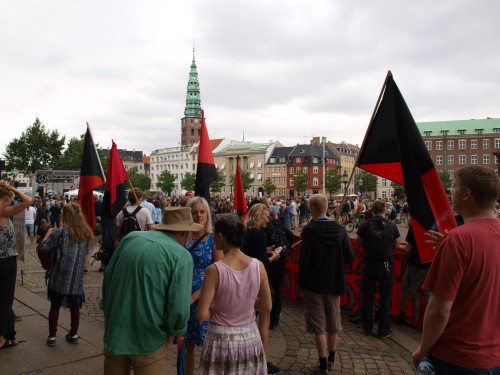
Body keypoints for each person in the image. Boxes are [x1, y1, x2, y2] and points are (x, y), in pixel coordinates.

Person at [412, 166, 500, 373]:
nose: (450, 192)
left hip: (460, 357)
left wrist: (422, 349)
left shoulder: (458, 239)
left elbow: (439, 309)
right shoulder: (459, 240)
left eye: (453, 186)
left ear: (466, 194)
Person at [102, 207, 198, 375]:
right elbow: (179, 306)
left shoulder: (130, 238)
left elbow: (109, 276)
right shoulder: (181, 256)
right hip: (150, 338)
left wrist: (107, 308)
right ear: (183, 232)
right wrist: (174, 331)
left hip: (116, 330)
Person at [196, 213, 272, 375]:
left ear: (221, 236)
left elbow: (201, 315)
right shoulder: (258, 266)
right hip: (249, 337)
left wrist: (219, 307)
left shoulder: (214, 270)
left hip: (221, 340)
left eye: (214, 235)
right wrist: (245, 303)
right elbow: (266, 306)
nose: (213, 239)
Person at [299, 194, 355, 373]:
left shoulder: (309, 231)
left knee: (318, 326)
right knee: (333, 323)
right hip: (334, 282)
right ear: (327, 208)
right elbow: (349, 256)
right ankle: (331, 359)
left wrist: (302, 283)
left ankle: (322, 364)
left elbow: (304, 260)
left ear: (313, 209)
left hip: (314, 284)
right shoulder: (339, 230)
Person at [40, 203, 93, 346]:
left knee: (55, 305)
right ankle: (74, 334)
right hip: (76, 276)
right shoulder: (86, 233)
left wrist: (48, 233)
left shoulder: (61, 232)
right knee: (74, 306)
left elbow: (44, 248)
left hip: (60, 274)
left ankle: (52, 337)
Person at [184, 197, 224, 375]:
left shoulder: (213, 239)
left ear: (208, 213)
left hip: (204, 298)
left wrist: (195, 296)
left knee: (209, 346)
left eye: (202, 211)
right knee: (186, 346)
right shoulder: (183, 236)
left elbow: (220, 273)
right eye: (194, 212)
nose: (199, 215)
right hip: (182, 294)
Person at [243, 203, 281, 374]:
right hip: (259, 283)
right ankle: (263, 361)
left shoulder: (246, 232)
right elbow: (261, 264)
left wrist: (263, 251)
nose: (268, 219)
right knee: (264, 322)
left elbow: (249, 255)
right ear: (258, 216)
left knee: (248, 320)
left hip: (246, 282)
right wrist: (273, 258)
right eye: (266, 216)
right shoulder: (259, 234)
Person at [355, 200, 400, 339]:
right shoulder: (392, 225)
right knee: (385, 297)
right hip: (386, 264)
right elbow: (397, 245)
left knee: (367, 296)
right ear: (385, 210)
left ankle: (367, 326)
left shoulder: (365, 224)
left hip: (370, 263)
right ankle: (383, 330)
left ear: (372, 210)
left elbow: (358, 243)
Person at [0, 181, 32, 350]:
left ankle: (9, 335)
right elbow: (27, 201)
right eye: (10, 199)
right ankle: (1, 338)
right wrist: (13, 188)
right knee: (5, 300)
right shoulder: (4, 211)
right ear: (6, 198)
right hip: (5, 262)